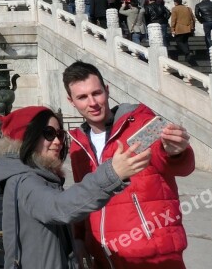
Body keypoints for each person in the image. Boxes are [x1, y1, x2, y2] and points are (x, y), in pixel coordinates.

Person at [63, 62, 194, 269]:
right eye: (82, 97)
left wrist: (176, 151)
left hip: (153, 257)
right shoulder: (78, 145)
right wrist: (79, 238)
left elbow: (174, 161)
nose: (93, 103)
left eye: (96, 93)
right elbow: (83, 194)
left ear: (107, 90)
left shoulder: (141, 122)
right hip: (104, 258)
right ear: (71, 101)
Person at [0, 105, 151, 269]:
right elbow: (59, 207)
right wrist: (112, 174)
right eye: (49, 134)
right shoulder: (25, 181)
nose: (57, 142)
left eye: (60, 134)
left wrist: (76, 241)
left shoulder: (39, 177)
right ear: (27, 136)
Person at [170, 0, 196, 65]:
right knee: (185, 41)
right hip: (188, 28)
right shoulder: (188, 8)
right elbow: (193, 18)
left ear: (175, 2)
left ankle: (188, 52)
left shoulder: (175, 9)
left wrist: (172, 28)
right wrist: (193, 27)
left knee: (179, 41)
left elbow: (173, 20)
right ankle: (187, 56)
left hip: (180, 28)